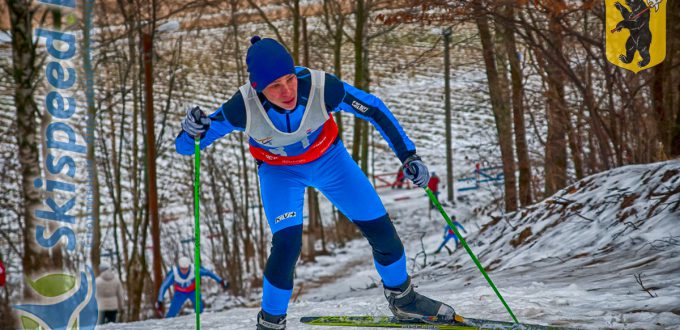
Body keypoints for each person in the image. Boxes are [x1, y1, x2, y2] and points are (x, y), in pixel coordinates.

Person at [175, 36, 456, 329]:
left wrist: (408, 156)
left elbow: (373, 108)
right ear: (258, 88)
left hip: (330, 162)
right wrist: (191, 130)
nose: (287, 91)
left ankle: (405, 301)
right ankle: (271, 322)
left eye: (289, 79)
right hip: (279, 172)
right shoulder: (241, 107)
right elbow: (187, 146)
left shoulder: (321, 87)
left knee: (383, 232)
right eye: (275, 86)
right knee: (287, 246)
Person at [155, 256, 228, 318]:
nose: (184, 271)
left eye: (186, 268)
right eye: (182, 269)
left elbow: (208, 273)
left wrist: (221, 281)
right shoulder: (174, 273)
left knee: (199, 311)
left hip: (193, 291)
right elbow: (164, 286)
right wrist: (160, 301)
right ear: (179, 267)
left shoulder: (194, 269)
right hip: (180, 293)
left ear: (189, 266)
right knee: (171, 314)